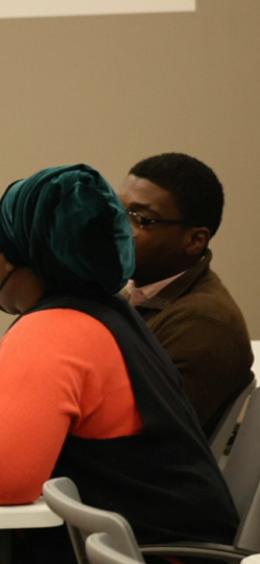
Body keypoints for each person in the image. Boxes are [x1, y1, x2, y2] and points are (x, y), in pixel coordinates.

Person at [0, 165, 237, 563]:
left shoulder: (52, 329)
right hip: (168, 545)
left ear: (22, 254)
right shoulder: (111, 313)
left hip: (145, 553)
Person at [118, 153, 252, 436]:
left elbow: (147, 441)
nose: (118, 228)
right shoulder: (135, 293)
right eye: (117, 211)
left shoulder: (203, 323)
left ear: (194, 240)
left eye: (140, 218)